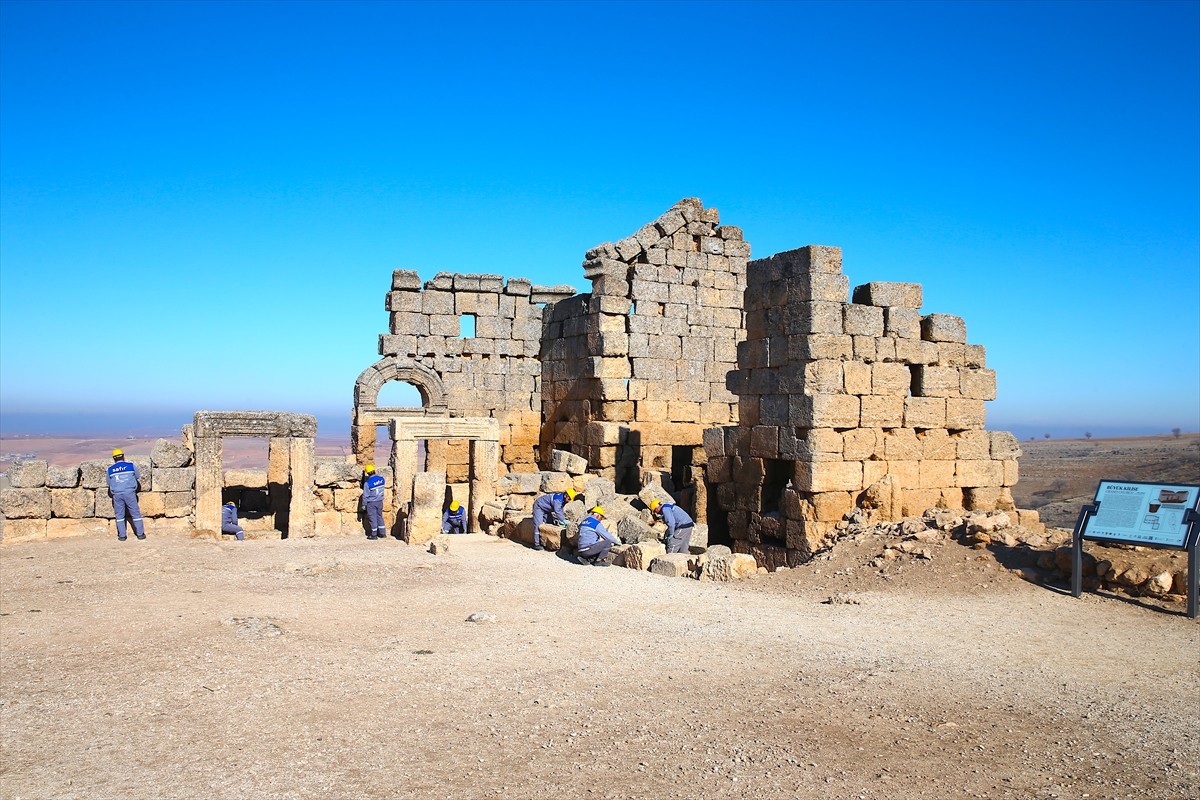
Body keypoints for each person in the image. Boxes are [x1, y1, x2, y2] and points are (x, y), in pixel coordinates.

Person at [106, 448, 145, 541]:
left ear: (114, 458)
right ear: (123, 456)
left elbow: (108, 482)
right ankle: (140, 534)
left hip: (117, 494)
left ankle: (122, 536)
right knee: (135, 513)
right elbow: (137, 476)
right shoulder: (131, 466)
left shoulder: (110, 469)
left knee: (119, 515)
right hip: (130, 493)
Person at [360, 464, 386, 540]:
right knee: (379, 516)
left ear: (367, 473)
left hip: (371, 502)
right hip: (380, 501)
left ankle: (374, 534)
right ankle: (382, 533)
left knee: (373, 518)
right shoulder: (382, 479)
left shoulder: (367, 483)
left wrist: (364, 505)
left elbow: (365, 495)